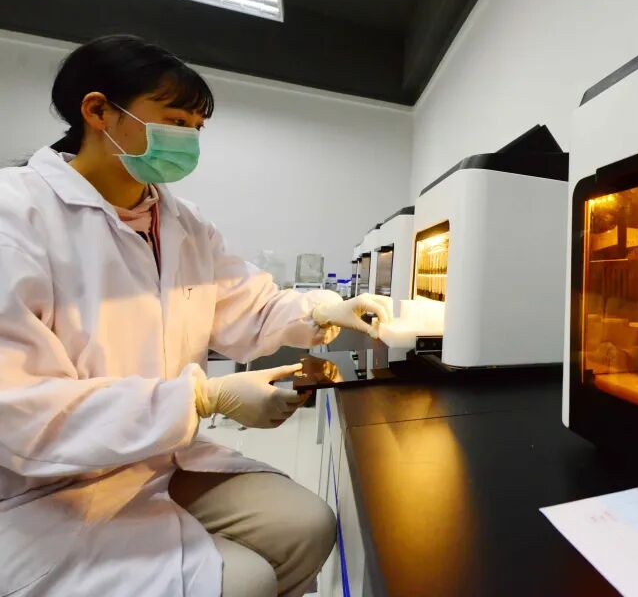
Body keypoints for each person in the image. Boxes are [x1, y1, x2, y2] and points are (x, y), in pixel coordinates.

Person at [0, 35, 389, 597]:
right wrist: (203, 399)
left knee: (307, 527)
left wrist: (323, 308)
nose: (188, 140)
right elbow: (20, 409)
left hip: (159, 457)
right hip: (48, 485)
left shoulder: (181, 223)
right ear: (98, 111)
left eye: (197, 128)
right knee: (246, 580)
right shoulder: (17, 216)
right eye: (175, 121)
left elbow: (245, 305)